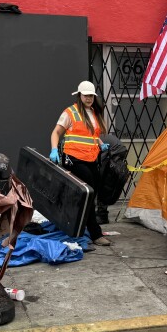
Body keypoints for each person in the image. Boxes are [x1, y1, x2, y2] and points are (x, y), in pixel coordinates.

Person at [49, 80, 112, 247]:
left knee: (90, 193)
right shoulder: (70, 112)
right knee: (88, 193)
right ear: (79, 95)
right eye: (86, 95)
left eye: (91, 95)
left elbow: (90, 135)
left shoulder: (93, 112)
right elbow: (56, 132)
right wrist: (54, 149)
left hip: (91, 158)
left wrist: (100, 143)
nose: (89, 98)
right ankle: (95, 233)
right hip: (74, 158)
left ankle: (79, 225)